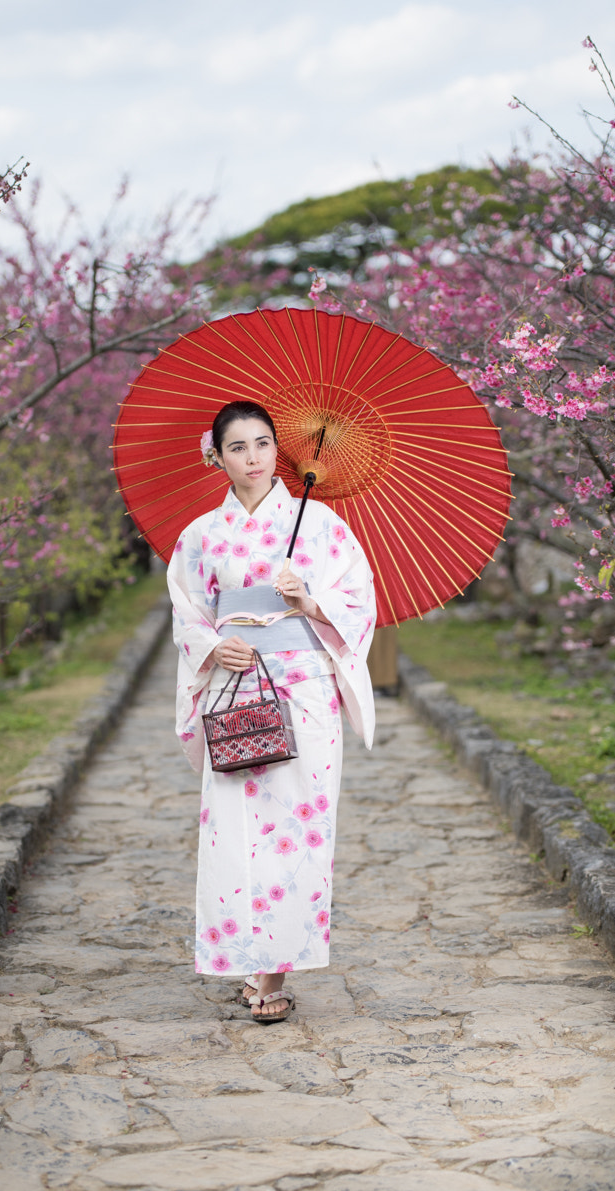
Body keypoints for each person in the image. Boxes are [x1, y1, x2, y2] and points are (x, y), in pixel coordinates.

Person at [166, 400, 376, 1022]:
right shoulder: (201, 535)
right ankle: (245, 957)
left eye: (262, 444)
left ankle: (274, 972)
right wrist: (212, 645)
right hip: (236, 685)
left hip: (304, 687)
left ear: (275, 449)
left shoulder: (322, 526)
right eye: (238, 448)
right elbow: (187, 612)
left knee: (299, 825)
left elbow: (361, 603)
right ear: (218, 457)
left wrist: (308, 602)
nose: (253, 458)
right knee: (232, 825)